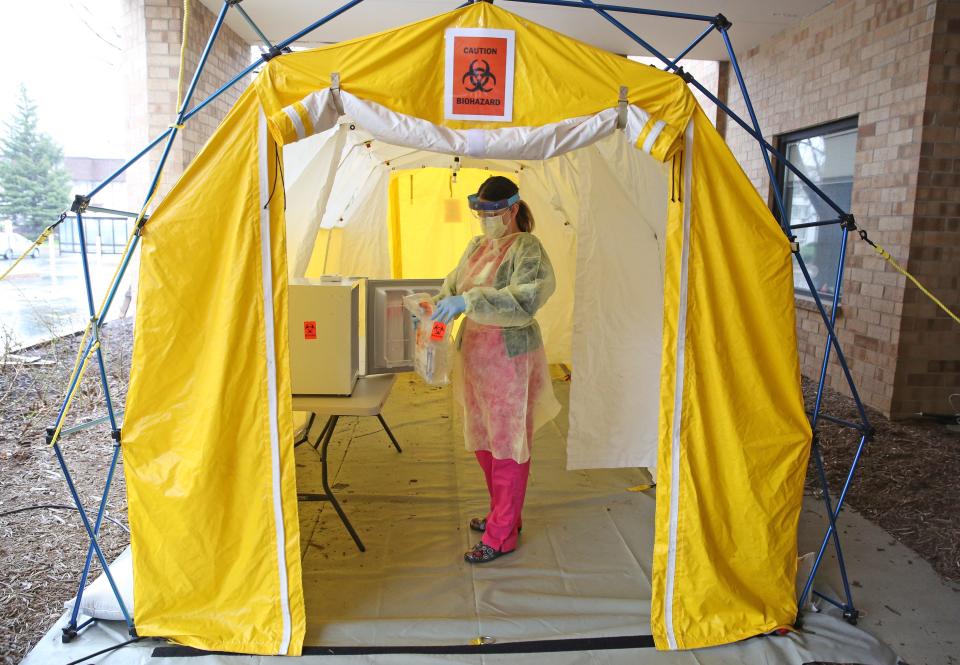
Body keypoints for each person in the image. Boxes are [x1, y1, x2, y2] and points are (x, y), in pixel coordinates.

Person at [429, 176, 561, 564]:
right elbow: (452, 287)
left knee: (509, 445)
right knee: (485, 441)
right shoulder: (477, 246)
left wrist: (468, 301)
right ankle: (505, 514)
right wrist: (433, 307)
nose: (485, 220)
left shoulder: (527, 248)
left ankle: (502, 534)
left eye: (493, 212)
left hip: (509, 359)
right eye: (480, 213)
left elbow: (526, 299)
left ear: (513, 209)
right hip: (475, 358)